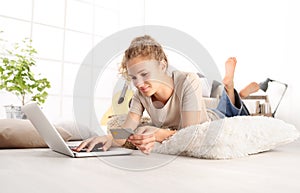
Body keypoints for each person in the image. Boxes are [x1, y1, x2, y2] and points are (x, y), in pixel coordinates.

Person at [74, 35, 259, 154]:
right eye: (133, 77)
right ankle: (235, 93)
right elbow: (127, 130)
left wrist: (157, 134)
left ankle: (231, 89)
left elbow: (191, 135)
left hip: (212, 117)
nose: (139, 83)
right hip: (192, 109)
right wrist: (107, 138)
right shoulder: (140, 94)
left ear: (162, 66)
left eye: (145, 74)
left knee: (236, 115)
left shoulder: (188, 80)